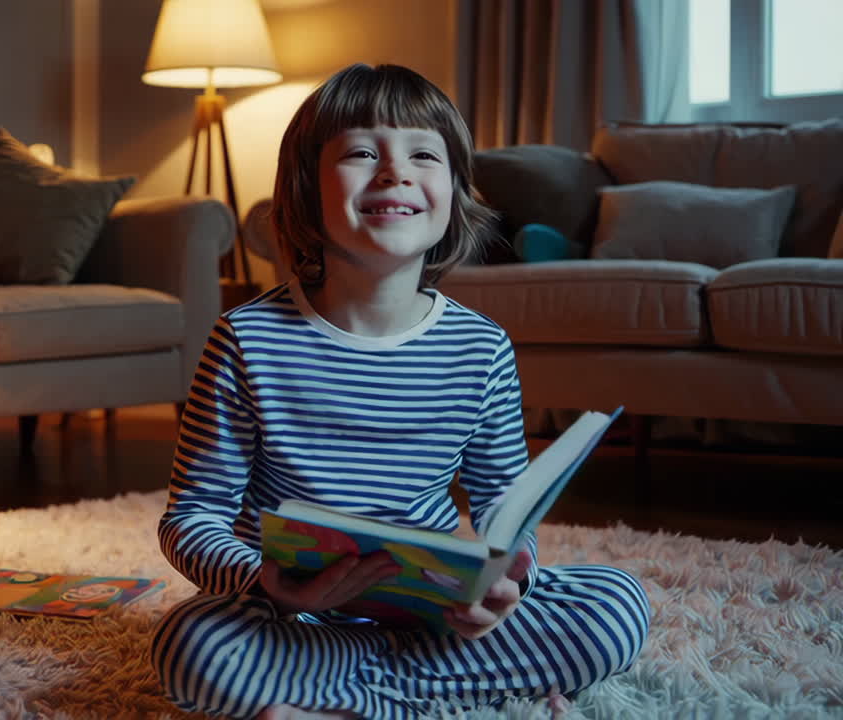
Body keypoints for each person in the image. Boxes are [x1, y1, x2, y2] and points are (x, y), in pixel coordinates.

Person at [149, 63, 651, 720]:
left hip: (436, 617)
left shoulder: (481, 348)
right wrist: (264, 583)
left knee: (614, 608)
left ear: (453, 194)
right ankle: (423, 697)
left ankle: (344, 705)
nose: (394, 172)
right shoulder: (247, 338)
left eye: (423, 154)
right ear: (305, 191)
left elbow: (507, 511)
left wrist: (505, 583)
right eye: (361, 153)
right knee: (189, 648)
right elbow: (193, 517)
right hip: (296, 619)